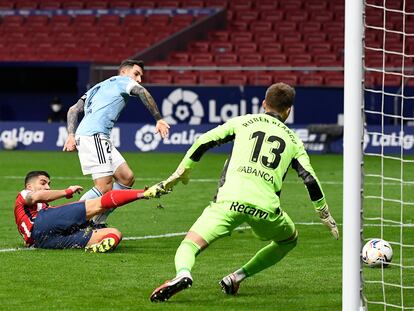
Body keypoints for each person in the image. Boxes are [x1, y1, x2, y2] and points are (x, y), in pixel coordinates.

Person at [149, 83, 339, 302]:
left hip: (228, 202)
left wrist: (181, 172)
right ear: (289, 110)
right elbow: (310, 179)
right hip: (265, 209)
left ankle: (183, 274)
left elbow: (203, 141)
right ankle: (236, 277)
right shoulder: (294, 140)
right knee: (289, 239)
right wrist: (323, 213)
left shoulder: (243, 121)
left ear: (264, 104)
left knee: (190, 244)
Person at [62, 59, 170, 227]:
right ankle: (70, 221)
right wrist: (159, 119)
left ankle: (98, 221)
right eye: (136, 74)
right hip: (94, 136)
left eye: (141, 76)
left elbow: (73, 109)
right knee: (104, 187)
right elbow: (143, 92)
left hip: (96, 136)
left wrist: (70, 134)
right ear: (124, 72)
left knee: (126, 178)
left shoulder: (97, 87)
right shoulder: (123, 81)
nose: (139, 79)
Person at [14, 170, 164, 252]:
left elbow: (42, 197)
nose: (47, 187)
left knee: (114, 233)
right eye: (43, 183)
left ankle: (101, 245)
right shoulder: (24, 195)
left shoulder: (44, 207)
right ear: (29, 186)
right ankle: (143, 193)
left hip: (42, 242)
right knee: (98, 203)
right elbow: (36, 197)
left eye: (49, 184)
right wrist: (66, 191)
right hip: (39, 225)